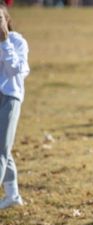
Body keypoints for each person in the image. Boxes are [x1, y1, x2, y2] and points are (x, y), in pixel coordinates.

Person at [0, 4, 30, 209]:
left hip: (10, 97)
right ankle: (12, 196)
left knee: (0, 149)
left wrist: (4, 41)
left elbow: (17, 70)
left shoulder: (17, 41)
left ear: (6, 18)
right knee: (4, 148)